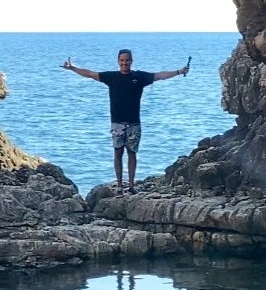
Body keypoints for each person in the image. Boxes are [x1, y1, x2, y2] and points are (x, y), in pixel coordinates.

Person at [61, 49, 189, 194]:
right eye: (122, 60)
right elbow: (90, 74)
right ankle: (120, 186)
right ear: (118, 61)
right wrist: (72, 68)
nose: (124, 63)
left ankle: (132, 185)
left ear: (131, 61)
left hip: (134, 122)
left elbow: (160, 76)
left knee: (132, 153)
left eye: (127, 60)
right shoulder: (111, 77)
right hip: (117, 123)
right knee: (118, 154)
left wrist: (179, 71)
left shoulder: (139, 77)